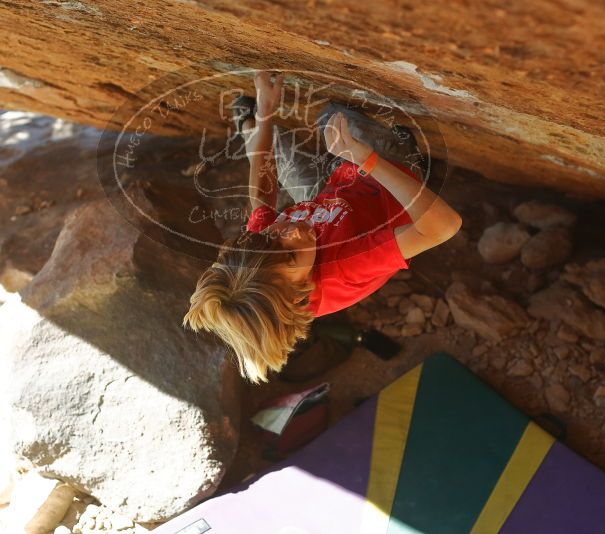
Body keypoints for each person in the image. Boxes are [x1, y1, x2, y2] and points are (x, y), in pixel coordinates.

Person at [183, 70, 462, 383]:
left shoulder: (268, 252)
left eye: (272, 233)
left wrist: (265, 113)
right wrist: (364, 159)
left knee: (277, 147)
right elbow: (443, 226)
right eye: (291, 255)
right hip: (392, 186)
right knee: (332, 115)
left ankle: (248, 127)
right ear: (297, 295)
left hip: (330, 196)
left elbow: (262, 191)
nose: (290, 230)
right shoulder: (346, 266)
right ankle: (410, 157)